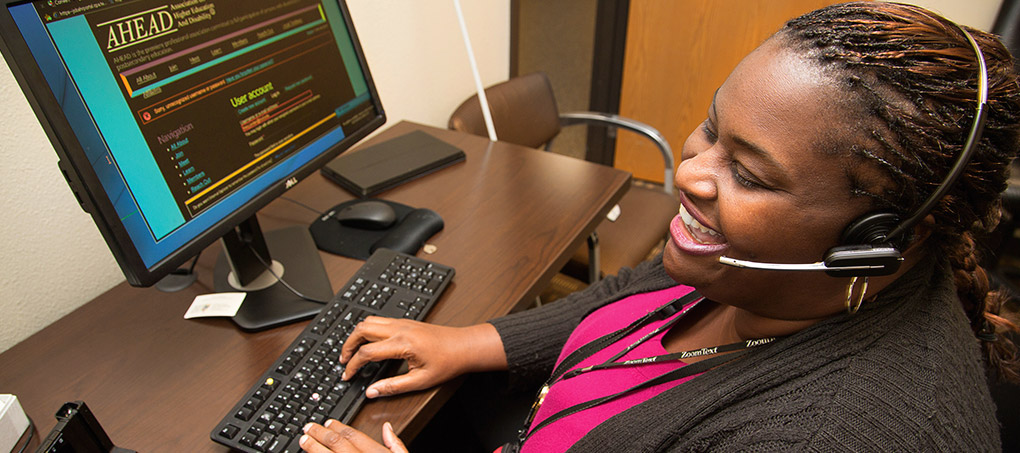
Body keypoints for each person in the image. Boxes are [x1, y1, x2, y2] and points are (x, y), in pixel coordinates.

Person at [298, 2, 1020, 451]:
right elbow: (627, 294)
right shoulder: (740, 264)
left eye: (751, 174)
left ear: (879, 237)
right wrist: (471, 341)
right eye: (712, 130)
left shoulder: (828, 434)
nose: (690, 172)